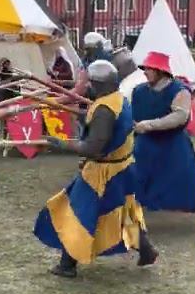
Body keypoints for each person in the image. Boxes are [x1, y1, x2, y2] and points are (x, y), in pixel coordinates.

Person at [36, 59, 158, 277]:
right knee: (123, 213)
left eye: (89, 83)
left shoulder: (105, 109)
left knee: (77, 213)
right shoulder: (118, 98)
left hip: (104, 174)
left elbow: (93, 148)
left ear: (98, 85)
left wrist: (62, 144)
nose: (87, 86)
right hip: (122, 169)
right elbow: (105, 127)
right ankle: (146, 251)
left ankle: (67, 264)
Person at [130, 51, 195, 213]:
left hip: (172, 143)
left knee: (175, 186)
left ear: (160, 71)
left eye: (149, 69)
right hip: (145, 144)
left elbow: (180, 116)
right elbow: (133, 115)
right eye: (145, 69)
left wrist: (150, 125)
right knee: (138, 180)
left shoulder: (180, 91)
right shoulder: (138, 91)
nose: (145, 72)